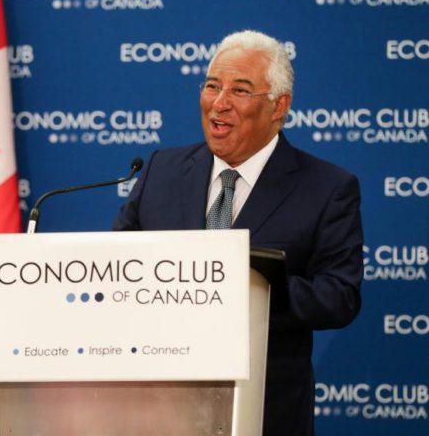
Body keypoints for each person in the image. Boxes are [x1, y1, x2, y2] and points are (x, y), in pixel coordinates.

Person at [114, 30, 363, 436]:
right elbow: (116, 267)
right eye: (212, 86)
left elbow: (340, 297)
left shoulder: (327, 188)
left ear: (279, 106)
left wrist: (247, 291)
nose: (219, 102)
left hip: (265, 409)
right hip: (158, 408)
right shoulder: (161, 170)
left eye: (240, 90)